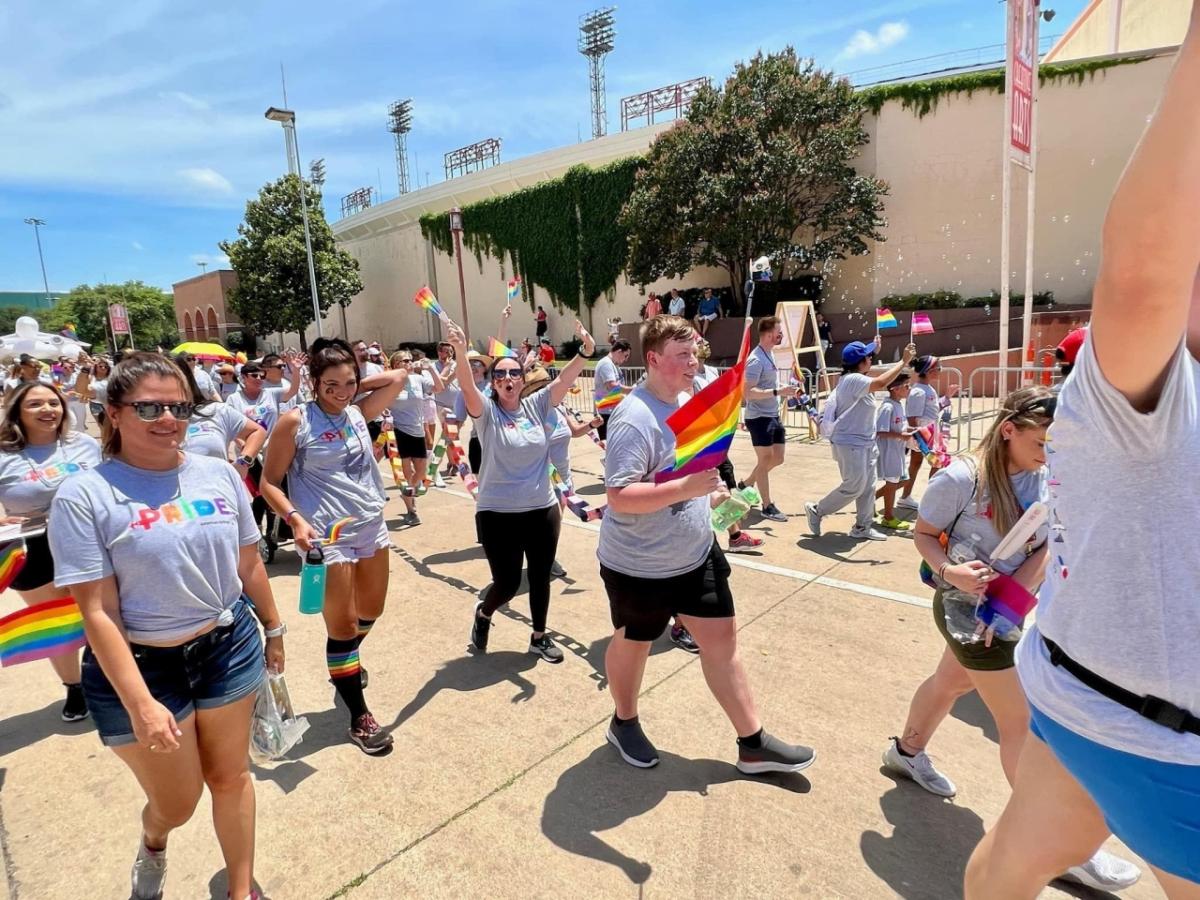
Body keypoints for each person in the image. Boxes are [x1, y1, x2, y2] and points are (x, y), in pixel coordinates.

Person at [966, 16, 1200, 894]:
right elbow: (1142, 271)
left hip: (1076, 685)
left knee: (1013, 857)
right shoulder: (1137, 397)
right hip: (1135, 726)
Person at [881, 386, 1139, 894]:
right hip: (965, 608)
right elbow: (924, 535)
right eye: (1041, 442)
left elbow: (1048, 543)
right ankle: (1053, 846)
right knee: (1020, 722)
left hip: (1010, 605)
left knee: (949, 683)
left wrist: (1017, 593)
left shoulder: (1052, 477)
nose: (1050, 452)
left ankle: (906, 754)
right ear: (1008, 431)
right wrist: (949, 571)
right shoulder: (960, 478)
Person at [50, 352, 286, 900]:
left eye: (179, 406)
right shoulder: (85, 495)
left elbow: (248, 562)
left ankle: (241, 889)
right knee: (178, 803)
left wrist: (273, 630)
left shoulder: (219, 474)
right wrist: (140, 704)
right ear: (112, 412)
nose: (168, 419)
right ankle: (154, 840)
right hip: (142, 668)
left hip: (227, 646)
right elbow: (98, 611)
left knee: (231, 778)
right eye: (149, 407)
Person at [598, 314, 815, 773]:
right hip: (640, 565)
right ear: (653, 359)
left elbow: (694, 473)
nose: (693, 361)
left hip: (695, 553)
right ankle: (624, 720)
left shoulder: (690, 398)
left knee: (722, 642)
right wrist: (685, 490)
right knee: (634, 642)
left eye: (694, 352)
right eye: (682, 355)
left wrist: (718, 499)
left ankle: (752, 743)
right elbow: (618, 498)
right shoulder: (633, 420)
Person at [260, 338, 408, 754]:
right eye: (331, 385)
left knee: (371, 611)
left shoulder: (358, 414)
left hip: (370, 528)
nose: (341, 392)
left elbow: (398, 376)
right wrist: (295, 520)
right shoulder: (296, 421)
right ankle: (359, 716)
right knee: (341, 627)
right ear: (313, 382)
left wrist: (353, 386)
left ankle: (344, 664)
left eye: (348, 383)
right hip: (327, 536)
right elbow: (269, 482)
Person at [450, 318, 595, 664]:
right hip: (497, 513)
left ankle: (539, 638)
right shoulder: (485, 413)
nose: (508, 379)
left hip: (541, 508)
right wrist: (459, 350)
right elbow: (468, 387)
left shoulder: (537, 405)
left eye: (514, 373)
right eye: (500, 375)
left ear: (522, 378)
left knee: (541, 576)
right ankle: (484, 613)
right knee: (508, 583)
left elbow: (563, 380)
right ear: (493, 383)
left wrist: (585, 352)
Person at [0, 380, 101, 721]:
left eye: (53, 403)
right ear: (17, 412)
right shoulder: (3, 454)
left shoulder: (84, 444)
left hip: (86, 538)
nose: (47, 410)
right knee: (56, 622)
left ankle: (106, 676)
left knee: (100, 610)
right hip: (32, 547)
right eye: (35, 405)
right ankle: (74, 686)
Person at [805, 338, 914, 541]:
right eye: (869, 356)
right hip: (849, 444)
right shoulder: (853, 380)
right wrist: (903, 362)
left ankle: (862, 527)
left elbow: (876, 380)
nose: (872, 359)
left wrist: (875, 350)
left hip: (865, 442)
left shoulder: (856, 378)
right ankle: (818, 510)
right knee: (854, 486)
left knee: (868, 486)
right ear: (861, 362)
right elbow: (882, 382)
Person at [519, 364, 602, 579]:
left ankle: (546, 558)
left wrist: (592, 425)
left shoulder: (560, 409)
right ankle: (542, 560)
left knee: (555, 523)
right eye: (540, 390)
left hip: (563, 477)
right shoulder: (528, 415)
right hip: (543, 477)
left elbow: (574, 432)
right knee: (545, 523)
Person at [695, 339, 764, 556]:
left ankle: (735, 536)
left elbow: (726, 398)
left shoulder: (712, 372)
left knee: (723, 482)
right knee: (715, 485)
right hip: (702, 439)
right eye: (698, 340)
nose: (704, 342)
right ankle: (733, 536)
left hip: (716, 438)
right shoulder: (690, 378)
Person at [740, 317, 798, 522]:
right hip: (758, 417)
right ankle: (767, 505)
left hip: (772, 414)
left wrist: (786, 390)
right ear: (767, 334)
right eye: (778, 332)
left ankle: (746, 484)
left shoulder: (770, 354)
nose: (781, 335)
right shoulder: (756, 359)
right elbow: (747, 393)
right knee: (764, 460)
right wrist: (777, 391)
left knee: (778, 458)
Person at [172, 357, 266, 473]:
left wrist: (243, 462)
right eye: (222, 373)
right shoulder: (146, 422)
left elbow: (257, 431)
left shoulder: (217, 410)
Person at [387, 350, 446, 526]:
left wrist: (431, 369)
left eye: (410, 360)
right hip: (399, 430)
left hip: (417, 430)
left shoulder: (418, 379)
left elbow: (439, 388)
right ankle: (411, 511)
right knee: (406, 472)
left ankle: (407, 493)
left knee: (420, 472)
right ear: (396, 365)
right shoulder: (391, 381)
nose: (409, 363)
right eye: (405, 361)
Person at [899, 355, 951, 509]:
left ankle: (905, 496)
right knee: (937, 463)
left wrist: (947, 397)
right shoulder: (919, 391)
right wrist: (917, 438)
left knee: (917, 464)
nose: (940, 371)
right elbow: (912, 416)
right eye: (938, 368)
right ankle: (930, 500)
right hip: (923, 436)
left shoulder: (926, 389)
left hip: (928, 434)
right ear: (928, 371)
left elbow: (931, 411)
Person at [874, 373, 913, 530]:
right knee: (892, 481)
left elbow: (900, 427)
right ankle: (888, 517)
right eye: (906, 386)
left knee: (903, 480)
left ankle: (871, 499)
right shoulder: (887, 407)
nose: (909, 389)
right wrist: (900, 435)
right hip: (888, 451)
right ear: (895, 389)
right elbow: (879, 431)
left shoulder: (898, 405)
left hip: (897, 450)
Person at [593, 340, 631, 442]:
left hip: (611, 411)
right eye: (626, 355)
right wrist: (632, 390)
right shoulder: (606, 364)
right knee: (609, 446)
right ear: (619, 352)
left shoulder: (613, 364)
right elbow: (611, 386)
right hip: (606, 413)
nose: (626, 359)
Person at [351, 339, 386, 442]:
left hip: (377, 417)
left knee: (379, 447)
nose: (365, 351)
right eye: (361, 349)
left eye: (366, 348)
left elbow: (383, 389)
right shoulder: (349, 370)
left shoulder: (377, 368)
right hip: (357, 417)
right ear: (352, 353)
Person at [85, 357, 113, 426]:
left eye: (105, 367)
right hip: (95, 405)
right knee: (101, 425)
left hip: (108, 404)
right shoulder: (91, 377)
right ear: (96, 367)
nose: (103, 368)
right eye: (100, 366)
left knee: (111, 425)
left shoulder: (110, 377)